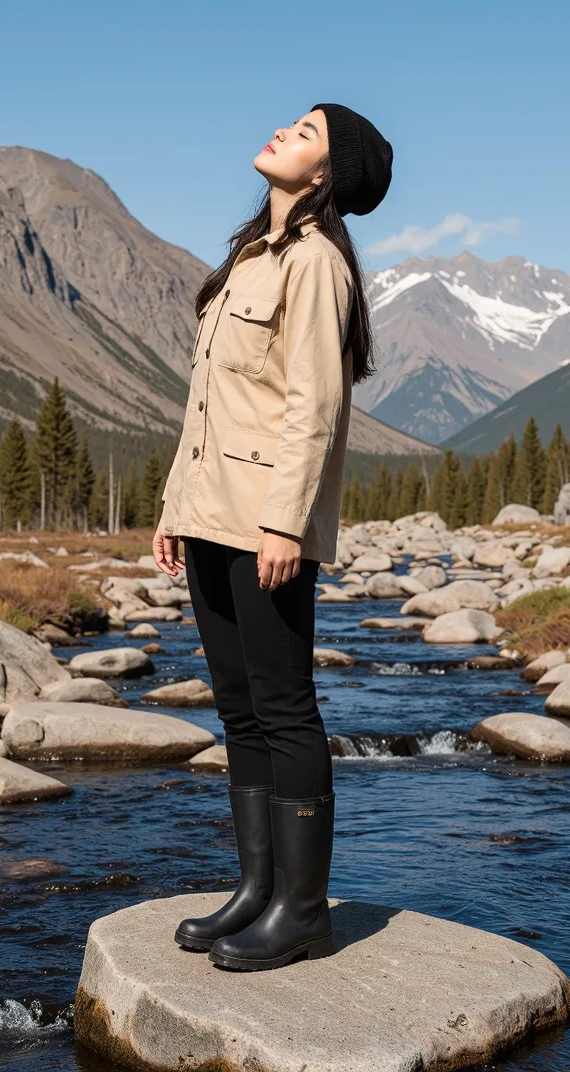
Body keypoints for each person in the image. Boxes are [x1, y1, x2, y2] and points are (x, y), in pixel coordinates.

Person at [152, 102, 393, 971]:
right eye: (291, 122)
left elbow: (314, 406)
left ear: (326, 174)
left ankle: (302, 913)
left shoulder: (319, 264)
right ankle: (256, 893)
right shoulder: (248, 257)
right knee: (237, 706)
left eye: (305, 132)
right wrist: (176, 507)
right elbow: (209, 402)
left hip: (265, 522)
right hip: (212, 512)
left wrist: (284, 522)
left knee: (286, 707)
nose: (283, 132)